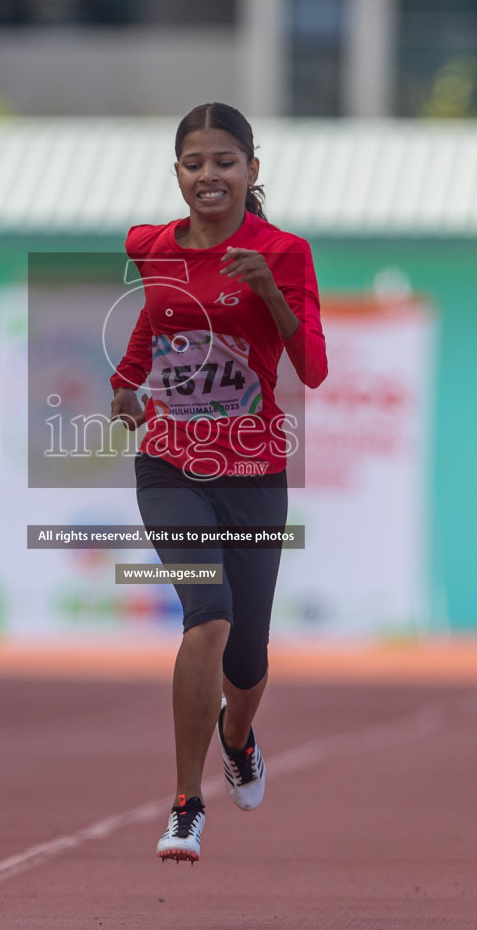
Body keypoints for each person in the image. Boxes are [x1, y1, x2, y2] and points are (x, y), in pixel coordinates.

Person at [108, 103, 327, 862]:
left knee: (247, 659)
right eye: (195, 163)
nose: (210, 175)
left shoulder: (286, 253)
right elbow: (155, 318)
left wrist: (268, 289)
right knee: (208, 616)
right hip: (169, 462)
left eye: (225, 162)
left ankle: (239, 737)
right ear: (177, 173)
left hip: (256, 471)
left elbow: (314, 369)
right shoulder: (149, 245)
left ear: (251, 172)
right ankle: (184, 803)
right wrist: (127, 381)